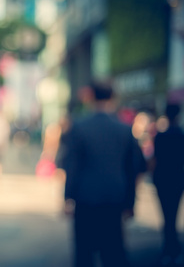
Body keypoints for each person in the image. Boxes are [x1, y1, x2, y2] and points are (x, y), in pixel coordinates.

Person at [62, 81, 146, 267]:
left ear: (91, 97)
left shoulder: (79, 127)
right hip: (114, 198)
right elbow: (133, 168)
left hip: (85, 198)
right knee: (114, 251)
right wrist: (130, 202)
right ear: (112, 97)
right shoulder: (125, 129)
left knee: (84, 253)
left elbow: (72, 165)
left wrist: (68, 198)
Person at [152, 103, 184, 265]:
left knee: (166, 215)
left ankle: (169, 246)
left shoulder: (160, 136)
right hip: (178, 179)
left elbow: (155, 160)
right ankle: (173, 247)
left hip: (163, 179)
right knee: (174, 212)